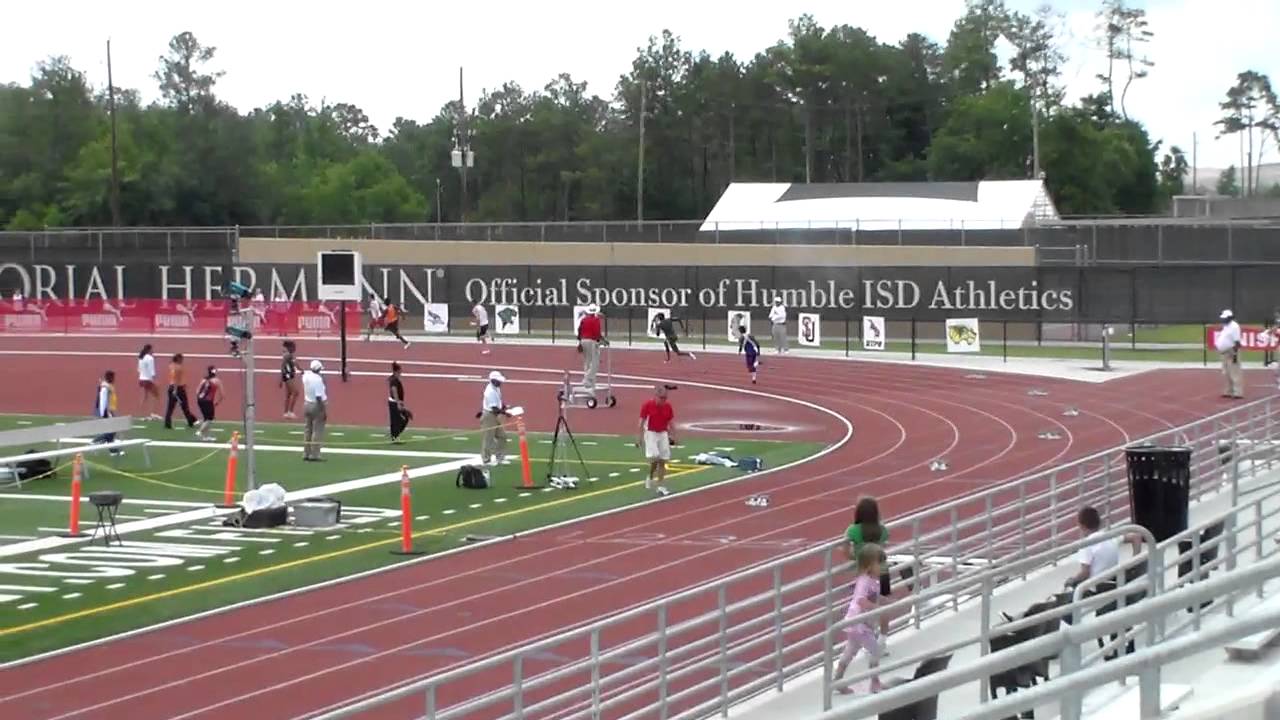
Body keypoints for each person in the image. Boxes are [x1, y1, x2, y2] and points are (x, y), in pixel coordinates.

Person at [1064, 506, 1139, 661]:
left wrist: (1071, 579)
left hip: (1098, 590)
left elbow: (1084, 573)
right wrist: (1135, 559)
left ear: (1083, 526)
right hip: (1114, 584)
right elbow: (1136, 536)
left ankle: (1063, 638)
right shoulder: (1110, 537)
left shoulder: (1087, 545)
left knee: (1065, 596)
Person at [831, 543, 885, 695]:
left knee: (850, 650)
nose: (882, 567)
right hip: (859, 622)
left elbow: (873, 597)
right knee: (875, 650)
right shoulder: (865, 581)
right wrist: (876, 608)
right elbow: (861, 600)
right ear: (869, 566)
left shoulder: (873, 581)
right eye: (879, 563)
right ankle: (875, 683)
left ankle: (838, 679)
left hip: (858, 622)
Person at [844, 497, 892, 640]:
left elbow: (846, 551)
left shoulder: (853, 530)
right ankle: (883, 639)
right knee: (884, 604)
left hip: (865, 575)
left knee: (865, 608)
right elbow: (883, 546)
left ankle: (870, 639)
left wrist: (856, 556)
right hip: (883, 572)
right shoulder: (882, 530)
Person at [638, 385, 676, 496]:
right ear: (656, 396)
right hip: (651, 433)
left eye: (665, 398)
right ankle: (650, 476)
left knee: (663, 460)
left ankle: (661, 485)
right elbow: (641, 422)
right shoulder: (647, 405)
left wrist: (674, 435)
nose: (664, 400)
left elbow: (671, 421)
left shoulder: (668, 406)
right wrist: (639, 438)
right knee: (655, 457)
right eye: (661, 398)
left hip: (663, 433)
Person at [480, 370, 509, 466]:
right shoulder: (490, 392)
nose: (500, 383)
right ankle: (486, 460)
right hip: (489, 416)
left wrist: (504, 407)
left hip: (494, 415)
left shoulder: (496, 388)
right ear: (492, 380)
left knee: (502, 436)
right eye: (498, 381)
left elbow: (499, 402)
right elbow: (495, 408)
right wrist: (506, 412)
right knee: (488, 438)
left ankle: (500, 457)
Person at [92, 370, 125, 456]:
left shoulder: (108, 386)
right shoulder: (105, 388)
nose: (114, 379)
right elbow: (103, 401)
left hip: (110, 410)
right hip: (107, 411)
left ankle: (112, 450)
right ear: (109, 377)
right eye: (113, 377)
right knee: (111, 431)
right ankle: (96, 441)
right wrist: (105, 413)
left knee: (111, 431)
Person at [302, 360, 328, 462]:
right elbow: (319, 397)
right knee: (317, 430)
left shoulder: (306, 377)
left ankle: (306, 452)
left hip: (307, 403)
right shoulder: (318, 380)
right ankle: (315, 454)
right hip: (316, 405)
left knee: (307, 430)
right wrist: (323, 410)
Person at [164, 353, 197, 430]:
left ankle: (167, 423)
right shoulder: (178, 367)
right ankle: (191, 421)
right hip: (178, 388)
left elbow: (174, 378)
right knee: (184, 406)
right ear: (178, 359)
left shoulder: (171, 365)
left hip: (171, 387)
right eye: (182, 359)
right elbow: (176, 379)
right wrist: (176, 389)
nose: (182, 360)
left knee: (170, 407)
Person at [1216, 309, 1244, 399]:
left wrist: (1235, 354)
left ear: (1230, 318)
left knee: (1234, 372)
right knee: (1226, 372)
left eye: (1225, 318)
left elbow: (1237, 342)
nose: (1223, 320)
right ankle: (1228, 390)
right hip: (1224, 352)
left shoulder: (1235, 327)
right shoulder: (1226, 326)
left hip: (1232, 351)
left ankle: (1238, 392)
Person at [578, 303, 606, 391]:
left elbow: (579, 330)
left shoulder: (584, 319)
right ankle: (587, 379)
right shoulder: (596, 320)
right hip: (592, 341)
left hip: (583, 340)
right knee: (595, 362)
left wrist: (579, 342)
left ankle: (590, 383)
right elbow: (597, 332)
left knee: (587, 361)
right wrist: (602, 340)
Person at [194, 366, 223, 441]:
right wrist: (217, 402)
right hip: (208, 401)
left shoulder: (204, 380)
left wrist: (201, 397)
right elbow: (222, 394)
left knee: (206, 419)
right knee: (210, 419)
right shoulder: (217, 381)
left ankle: (205, 437)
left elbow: (197, 391)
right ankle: (199, 431)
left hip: (200, 400)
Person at [136, 344, 162, 420]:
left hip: (141, 379)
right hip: (148, 380)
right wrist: (155, 380)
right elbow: (152, 370)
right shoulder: (150, 358)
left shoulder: (141, 357)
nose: (153, 351)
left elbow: (138, 369)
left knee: (144, 397)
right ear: (149, 350)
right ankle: (153, 413)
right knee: (156, 395)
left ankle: (141, 414)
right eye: (152, 349)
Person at [388, 361, 410, 443]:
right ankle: (395, 437)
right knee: (398, 420)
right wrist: (398, 403)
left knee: (401, 418)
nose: (401, 373)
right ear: (396, 371)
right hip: (394, 402)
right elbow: (394, 391)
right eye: (399, 371)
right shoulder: (394, 380)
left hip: (396, 402)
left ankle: (395, 436)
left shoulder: (395, 379)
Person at [280, 340, 301, 418]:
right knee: (296, 393)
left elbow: (295, 364)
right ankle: (290, 411)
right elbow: (283, 366)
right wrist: (281, 379)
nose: (295, 348)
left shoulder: (289, 355)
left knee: (288, 394)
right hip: (288, 376)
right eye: (293, 347)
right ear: (290, 347)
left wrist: (300, 370)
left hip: (288, 375)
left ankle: (286, 413)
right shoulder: (288, 355)